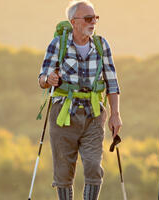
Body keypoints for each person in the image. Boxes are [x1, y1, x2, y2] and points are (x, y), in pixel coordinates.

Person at [37, 1, 122, 199]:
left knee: (93, 165)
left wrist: (115, 115)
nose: (93, 22)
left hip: (94, 114)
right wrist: (48, 79)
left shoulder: (102, 45)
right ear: (73, 22)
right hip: (63, 114)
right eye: (88, 18)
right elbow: (41, 78)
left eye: (95, 18)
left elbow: (112, 82)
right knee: (63, 170)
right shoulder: (58, 44)